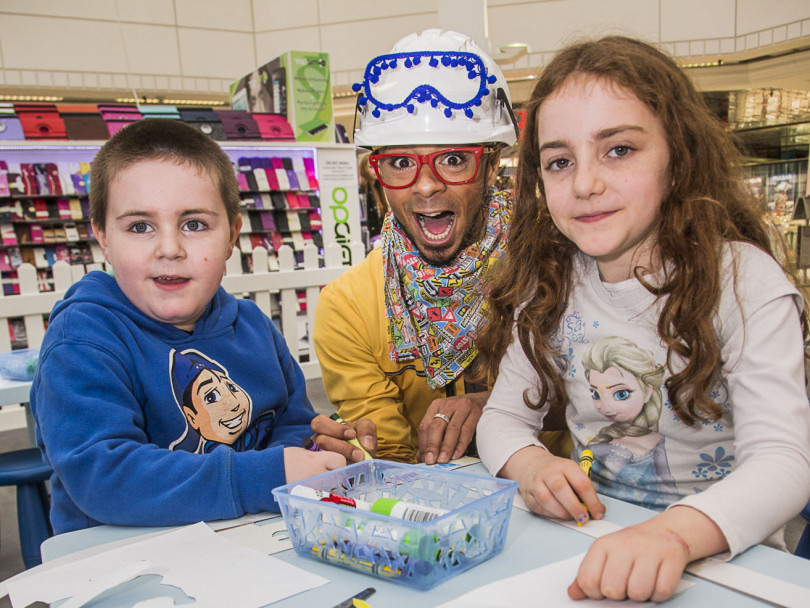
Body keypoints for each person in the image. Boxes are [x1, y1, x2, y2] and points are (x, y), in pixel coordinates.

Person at [475, 36, 810, 603]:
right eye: (560, 162)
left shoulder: (744, 282)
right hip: (594, 542)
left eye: (619, 150)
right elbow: (501, 419)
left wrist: (672, 534)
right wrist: (532, 466)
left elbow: (784, 462)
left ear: (678, 157)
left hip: (731, 564)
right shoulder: (549, 285)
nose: (585, 183)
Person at [30, 119, 345, 534]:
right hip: (119, 566)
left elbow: (291, 426)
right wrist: (259, 475)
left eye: (194, 224)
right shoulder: (83, 339)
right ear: (103, 236)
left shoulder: (252, 326)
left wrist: (314, 452)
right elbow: (103, 475)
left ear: (232, 233)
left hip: (251, 546)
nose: (170, 249)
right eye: (140, 227)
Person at [311, 29, 528, 465]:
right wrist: (359, 452)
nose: (426, 184)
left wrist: (498, 409)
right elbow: (390, 460)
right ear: (378, 174)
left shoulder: (549, 269)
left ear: (490, 165)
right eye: (400, 163)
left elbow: (603, 402)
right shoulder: (349, 306)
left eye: (452, 159)